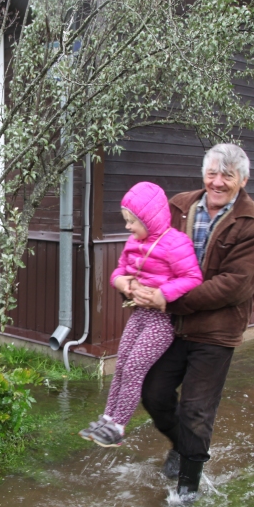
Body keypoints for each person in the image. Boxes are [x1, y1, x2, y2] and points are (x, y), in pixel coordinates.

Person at [132, 143, 254, 498]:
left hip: (215, 330)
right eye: (212, 173)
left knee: (196, 409)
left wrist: (168, 298)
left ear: (243, 179)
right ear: (203, 174)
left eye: (228, 175)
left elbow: (233, 286)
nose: (218, 182)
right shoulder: (179, 205)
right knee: (154, 393)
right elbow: (144, 249)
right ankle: (182, 447)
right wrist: (132, 284)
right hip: (170, 326)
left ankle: (187, 489)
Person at [79, 182, 202, 447]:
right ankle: (107, 417)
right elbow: (119, 271)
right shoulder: (134, 242)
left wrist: (164, 294)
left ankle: (118, 425)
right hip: (138, 315)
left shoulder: (175, 243)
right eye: (126, 221)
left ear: (150, 219)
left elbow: (193, 277)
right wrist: (121, 283)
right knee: (121, 364)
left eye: (132, 221)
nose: (128, 227)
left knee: (135, 368)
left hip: (160, 321)